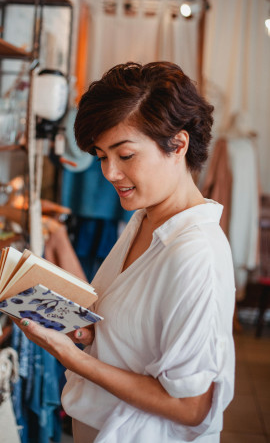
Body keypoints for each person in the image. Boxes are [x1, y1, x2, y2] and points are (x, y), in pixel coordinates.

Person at [17, 62, 235, 443]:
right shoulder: (144, 221)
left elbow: (192, 406)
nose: (110, 173)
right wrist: (82, 333)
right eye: (102, 156)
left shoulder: (194, 253)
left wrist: (72, 357)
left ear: (178, 145)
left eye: (125, 155)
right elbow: (127, 328)